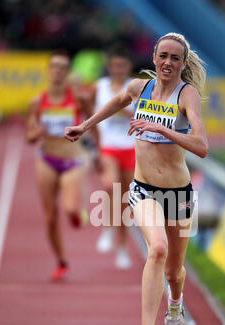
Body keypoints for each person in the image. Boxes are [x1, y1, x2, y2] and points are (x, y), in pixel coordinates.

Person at [64, 33, 208, 325]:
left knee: (175, 272)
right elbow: (116, 101)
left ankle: (176, 301)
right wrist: (85, 126)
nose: (168, 63)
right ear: (154, 58)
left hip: (178, 195)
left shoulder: (188, 96)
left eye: (175, 58)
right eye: (163, 56)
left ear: (183, 64)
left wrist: (162, 126)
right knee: (156, 249)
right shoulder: (137, 89)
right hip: (144, 189)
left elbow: (202, 146)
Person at [26, 50, 94, 281]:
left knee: (70, 210)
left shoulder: (78, 99)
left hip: (73, 159)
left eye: (62, 68)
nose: (57, 71)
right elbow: (29, 137)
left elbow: (94, 123)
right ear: (48, 70)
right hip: (46, 158)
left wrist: (101, 152)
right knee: (50, 218)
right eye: (54, 66)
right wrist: (37, 132)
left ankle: (77, 213)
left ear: (67, 73)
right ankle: (61, 260)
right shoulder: (37, 101)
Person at [93, 44, 135, 269]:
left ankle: (121, 248)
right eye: (115, 65)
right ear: (109, 67)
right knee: (110, 186)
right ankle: (108, 226)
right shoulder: (99, 87)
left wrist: (123, 109)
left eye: (122, 65)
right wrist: (96, 142)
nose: (118, 69)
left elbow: (144, 116)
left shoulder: (136, 88)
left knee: (125, 202)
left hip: (130, 148)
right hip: (109, 146)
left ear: (128, 67)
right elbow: (92, 114)